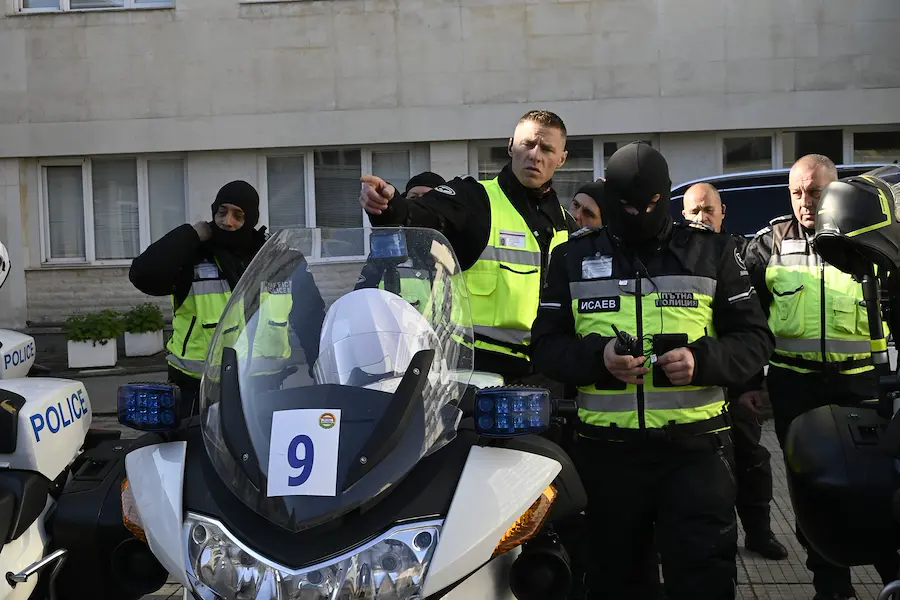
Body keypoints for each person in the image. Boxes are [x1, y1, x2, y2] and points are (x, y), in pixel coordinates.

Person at [531, 142, 774, 600]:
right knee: (615, 582)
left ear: (667, 196)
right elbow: (544, 347)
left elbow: (756, 341)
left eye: (651, 205)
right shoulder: (572, 257)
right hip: (607, 457)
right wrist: (598, 358)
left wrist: (702, 361)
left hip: (696, 453)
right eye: (627, 206)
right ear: (610, 198)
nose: (639, 214)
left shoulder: (712, 252)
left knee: (703, 581)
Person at [742, 154, 900, 600]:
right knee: (813, 491)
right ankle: (831, 589)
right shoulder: (768, 245)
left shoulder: (868, 239)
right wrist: (751, 383)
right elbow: (747, 324)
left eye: (814, 192)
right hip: (796, 388)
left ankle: (891, 578)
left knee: (881, 486)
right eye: (796, 192)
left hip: (863, 386)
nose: (804, 201)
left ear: (835, 189)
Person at [359, 109, 577, 392]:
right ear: (511, 146)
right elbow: (422, 216)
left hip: (545, 376)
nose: (535, 155)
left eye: (546, 148)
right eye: (528, 144)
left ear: (561, 158)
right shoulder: (474, 199)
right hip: (477, 374)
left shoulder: (567, 226)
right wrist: (389, 207)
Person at [681, 182, 788, 561]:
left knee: (750, 458)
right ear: (683, 215)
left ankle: (759, 532)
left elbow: (756, 326)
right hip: (694, 384)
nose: (701, 217)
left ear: (723, 212)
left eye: (708, 209)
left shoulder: (743, 255)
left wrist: (755, 384)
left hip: (738, 379)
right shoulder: (672, 257)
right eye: (694, 211)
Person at [129, 181, 271, 414]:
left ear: (251, 219)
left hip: (261, 385)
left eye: (238, 215)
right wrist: (190, 234)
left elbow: (309, 314)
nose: (228, 222)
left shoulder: (268, 258)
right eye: (222, 212)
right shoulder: (193, 256)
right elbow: (142, 274)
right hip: (194, 386)